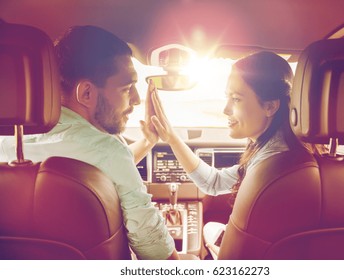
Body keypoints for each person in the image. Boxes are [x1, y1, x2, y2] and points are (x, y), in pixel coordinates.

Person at [0, 25, 178, 260]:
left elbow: (96, 168)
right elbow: (153, 248)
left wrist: (146, 142)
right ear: (86, 93)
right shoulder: (108, 152)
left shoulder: (6, 147)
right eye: (127, 88)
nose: (135, 99)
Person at [148, 51, 311, 256]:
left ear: (270, 106)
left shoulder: (267, 169)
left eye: (236, 99)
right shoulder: (284, 152)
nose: (225, 109)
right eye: (228, 97)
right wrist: (171, 137)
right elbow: (214, 182)